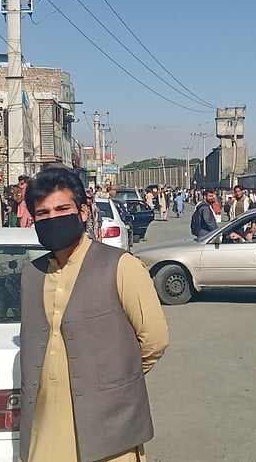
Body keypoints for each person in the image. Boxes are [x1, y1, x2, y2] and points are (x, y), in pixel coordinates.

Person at [18, 168, 169, 462]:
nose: (52, 218)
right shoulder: (32, 274)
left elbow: (155, 339)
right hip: (45, 427)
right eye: (43, 213)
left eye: (62, 209)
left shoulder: (120, 266)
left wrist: (114, 380)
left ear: (83, 212)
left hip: (108, 427)